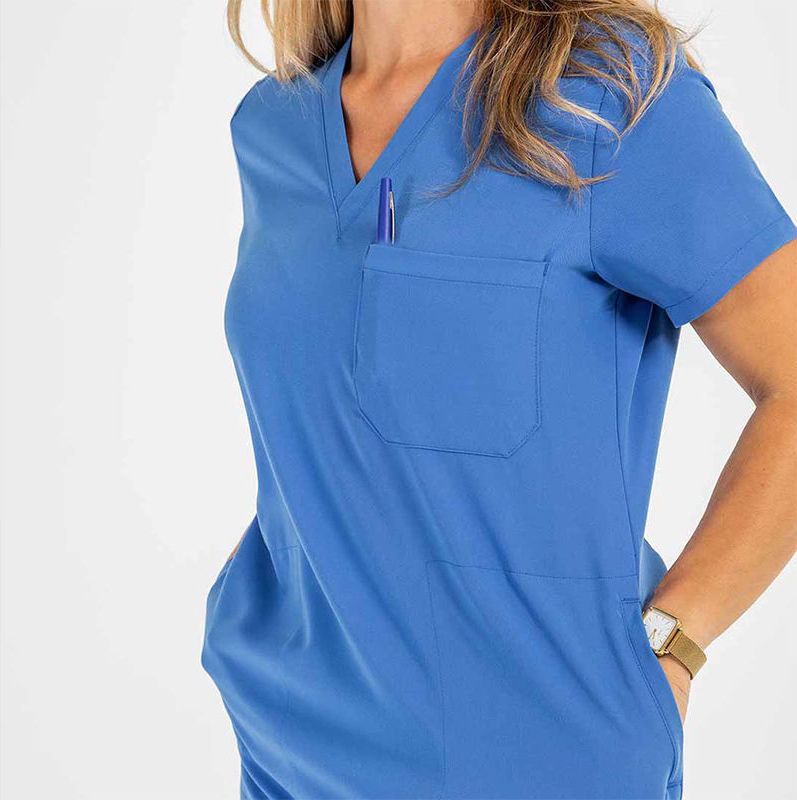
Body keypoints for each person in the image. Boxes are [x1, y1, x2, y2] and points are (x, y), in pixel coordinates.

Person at [203, 2, 797, 798]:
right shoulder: (275, 124)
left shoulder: (606, 96)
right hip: (290, 755)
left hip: (542, 758)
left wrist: (675, 641)